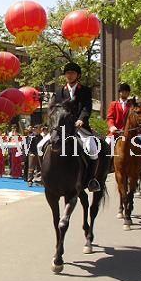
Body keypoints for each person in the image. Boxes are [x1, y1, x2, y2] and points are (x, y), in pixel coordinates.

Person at [47, 62, 102, 192]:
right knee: (40, 146)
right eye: (67, 73)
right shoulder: (59, 91)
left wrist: (81, 119)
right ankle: (42, 174)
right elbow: (53, 108)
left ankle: (91, 179)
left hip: (79, 127)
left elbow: (86, 107)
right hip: (61, 128)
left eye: (72, 73)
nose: (69, 75)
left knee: (93, 149)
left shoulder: (85, 90)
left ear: (78, 75)